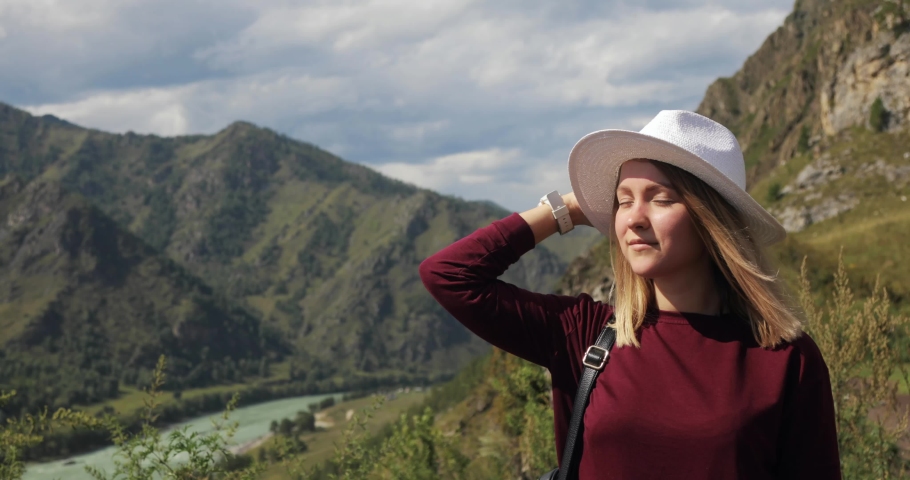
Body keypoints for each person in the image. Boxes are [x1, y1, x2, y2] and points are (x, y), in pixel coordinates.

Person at [419, 110, 841, 479]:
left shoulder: (786, 359)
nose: (634, 218)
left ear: (711, 220)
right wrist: (564, 210)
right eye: (623, 201)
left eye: (660, 199)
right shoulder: (586, 334)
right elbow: (448, 275)